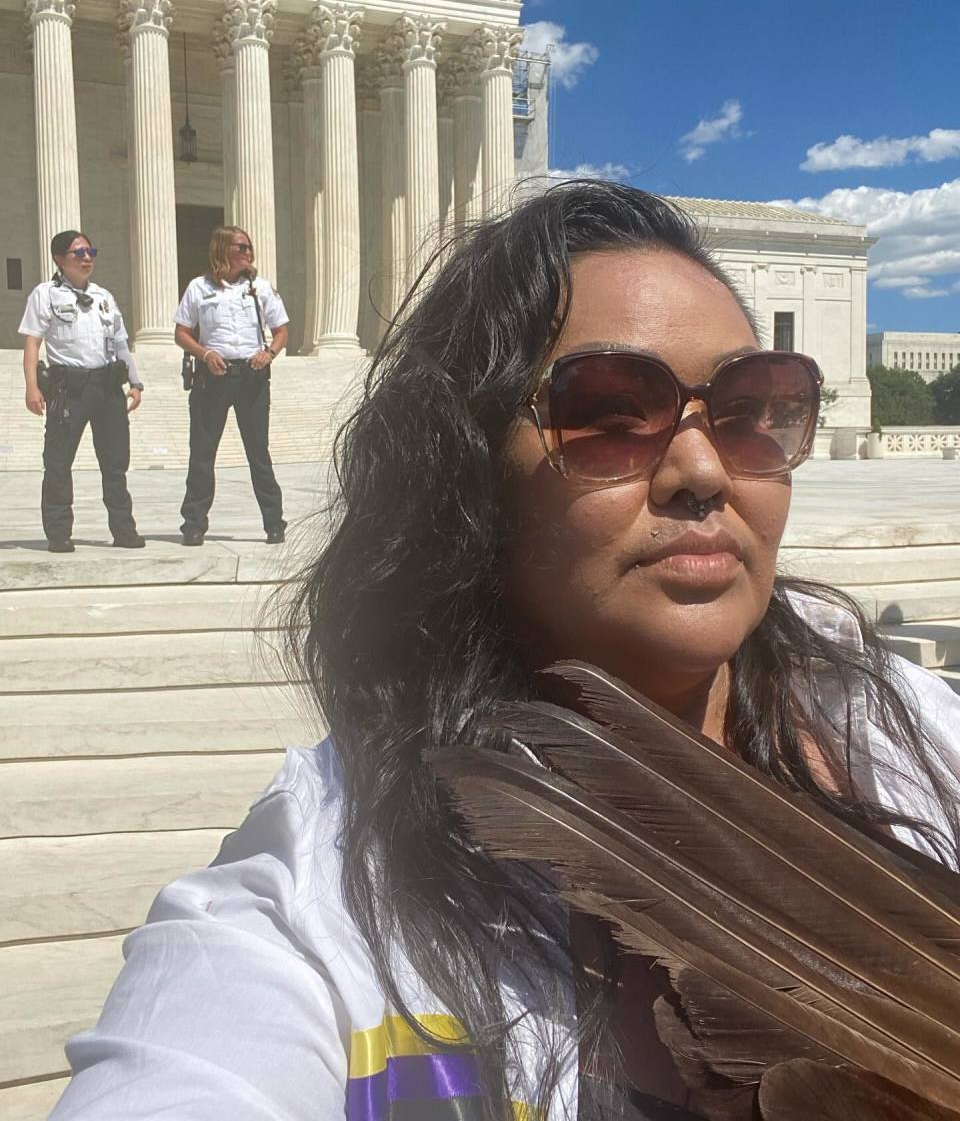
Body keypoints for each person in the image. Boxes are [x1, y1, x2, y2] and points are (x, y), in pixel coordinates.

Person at [51, 184, 960, 1119]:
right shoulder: (317, 894)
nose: (702, 471)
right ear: (468, 466)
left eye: (753, 407)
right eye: (609, 410)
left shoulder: (920, 740)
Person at [19, 230, 145, 554]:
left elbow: (120, 342)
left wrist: (135, 381)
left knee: (115, 463)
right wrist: (32, 387)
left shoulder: (104, 297)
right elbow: (32, 343)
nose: (87, 257)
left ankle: (124, 530)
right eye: (78, 252)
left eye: (90, 251)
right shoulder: (45, 294)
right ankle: (59, 533)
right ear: (59, 259)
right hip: (69, 389)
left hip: (107, 388)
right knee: (59, 462)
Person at [173, 226, 288, 546]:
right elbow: (181, 333)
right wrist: (204, 353)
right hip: (213, 376)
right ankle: (193, 524)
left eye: (249, 247)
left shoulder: (260, 288)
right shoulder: (199, 287)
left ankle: (274, 522)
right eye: (241, 247)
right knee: (202, 454)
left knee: (258, 454)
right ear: (223, 249)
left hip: (251, 376)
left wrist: (270, 353)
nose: (248, 253)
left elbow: (281, 330)